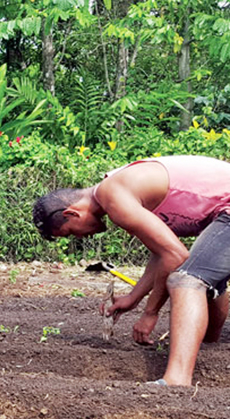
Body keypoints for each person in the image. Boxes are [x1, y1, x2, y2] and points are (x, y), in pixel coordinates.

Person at [32, 155, 230, 386]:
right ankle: (209, 347)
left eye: (70, 233)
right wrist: (133, 298)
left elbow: (176, 256)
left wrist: (150, 313)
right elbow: (162, 252)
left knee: (186, 280)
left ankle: (177, 380)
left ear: (71, 213)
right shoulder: (118, 187)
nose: (80, 237)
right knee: (203, 276)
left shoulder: (113, 196)